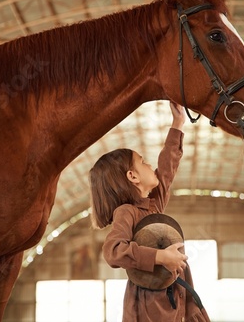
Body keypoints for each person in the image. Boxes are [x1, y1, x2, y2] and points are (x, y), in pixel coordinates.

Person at [89, 102, 210, 322]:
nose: (150, 165)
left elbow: (166, 171)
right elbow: (113, 251)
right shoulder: (127, 212)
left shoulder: (153, 206)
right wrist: (161, 256)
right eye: (143, 162)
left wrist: (178, 123)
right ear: (132, 177)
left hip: (177, 294)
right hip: (149, 305)